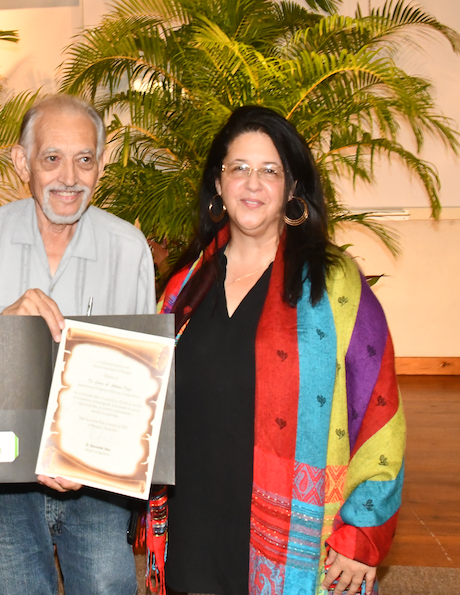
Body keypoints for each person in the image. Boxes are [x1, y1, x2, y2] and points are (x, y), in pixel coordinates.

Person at [151, 106, 405, 595]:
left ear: (292, 189)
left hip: (292, 535)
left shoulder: (333, 285)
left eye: (270, 171)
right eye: (239, 168)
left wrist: (363, 528)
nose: (252, 184)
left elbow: (379, 406)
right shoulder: (184, 284)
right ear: (218, 185)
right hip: (194, 523)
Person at [0, 94, 155, 595]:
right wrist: (2, 329)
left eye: (84, 159)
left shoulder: (129, 249)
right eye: (51, 158)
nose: (69, 177)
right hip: (1, 478)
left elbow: (143, 387)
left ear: (101, 165)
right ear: (23, 162)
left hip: (100, 481)